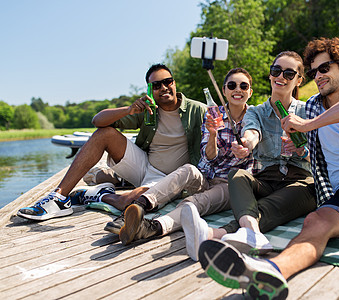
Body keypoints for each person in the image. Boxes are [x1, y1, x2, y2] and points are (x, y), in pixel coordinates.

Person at [198, 38, 339, 300]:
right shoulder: (310, 106)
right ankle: (271, 272)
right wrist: (299, 148)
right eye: (314, 71)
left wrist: (307, 126)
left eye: (325, 68)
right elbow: (291, 141)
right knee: (314, 221)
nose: (318, 76)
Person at [17, 64, 207, 225]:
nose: (164, 87)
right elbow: (97, 121)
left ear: (174, 83)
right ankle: (59, 198)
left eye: (167, 81)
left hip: (173, 177)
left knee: (131, 202)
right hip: (144, 166)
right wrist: (129, 109)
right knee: (104, 134)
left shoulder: (196, 110)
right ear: (150, 90)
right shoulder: (149, 110)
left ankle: (98, 195)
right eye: (156, 85)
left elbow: (221, 126)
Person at [188, 51, 316, 265]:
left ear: (299, 80)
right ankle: (252, 235)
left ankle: (216, 234)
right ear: (270, 75)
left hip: (300, 180)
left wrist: (302, 150)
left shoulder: (308, 110)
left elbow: (320, 155)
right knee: (237, 175)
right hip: (267, 178)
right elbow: (252, 132)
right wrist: (247, 144)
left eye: (289, 73)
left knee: (269, 205)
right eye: (276, 71)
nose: (281, 77)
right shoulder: (256, 112)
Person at [117, 68, 258, 251]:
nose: (237, 90)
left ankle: (151, 228)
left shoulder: (255, 116)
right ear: (224, 90)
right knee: (186, 170)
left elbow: (254, 135)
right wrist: (213, 134)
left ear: (250, 91)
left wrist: (247, 145)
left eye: (243, 86)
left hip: (231, 184)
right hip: (206, 175)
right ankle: (138, 207)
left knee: (194, 203)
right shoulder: (214, 114)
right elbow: (210, 157)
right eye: (232, 85)